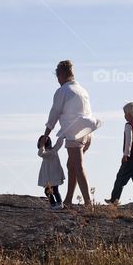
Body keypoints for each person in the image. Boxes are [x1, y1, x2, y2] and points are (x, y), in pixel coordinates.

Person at [43, 60, 101, 207]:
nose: (58, 81)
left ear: (61, 75)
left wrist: (46, 135)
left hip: (75, 133)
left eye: (58, 77)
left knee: (78, 167)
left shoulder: (63, 91)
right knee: (72, 165)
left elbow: (54, 114)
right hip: (88, 133)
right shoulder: (82, 90)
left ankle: (88, 203)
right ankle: (68, 200)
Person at [106, 101, 133, 207]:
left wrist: (126, 154)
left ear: (129, 114)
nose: (124, 116)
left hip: (130, 159)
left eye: (125, 113)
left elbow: (129, 141)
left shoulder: (128, 126)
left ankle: (113, 200)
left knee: (120, 179)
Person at [37, 134, 65, 210]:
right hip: (51, 175)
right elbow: (59, 143)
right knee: (48, 191)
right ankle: (53, 204)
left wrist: (42, 144)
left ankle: (59, 203)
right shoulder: (53, 150)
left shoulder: (50, 152)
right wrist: (62, 136)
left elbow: (40, 153)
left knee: (54, 190)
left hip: (54, 175)